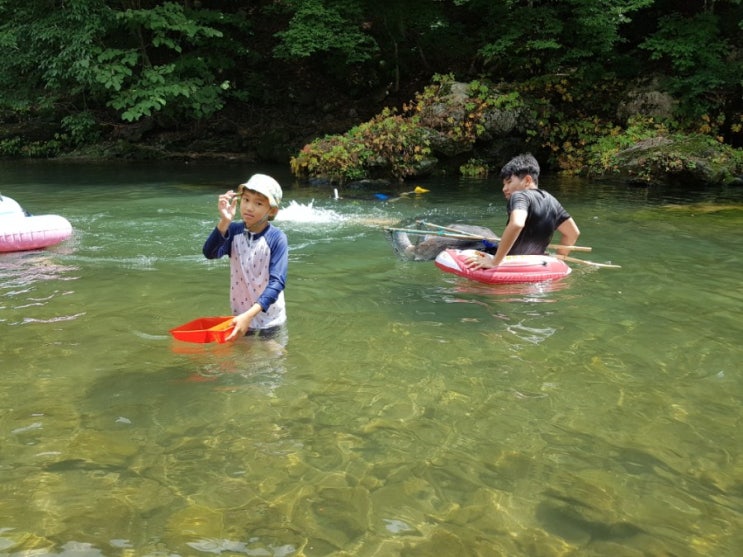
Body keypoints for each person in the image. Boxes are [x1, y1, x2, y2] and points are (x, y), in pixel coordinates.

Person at [203, 174, 288, 341]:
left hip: (270, 317)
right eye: (246, 200)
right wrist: (225, 221)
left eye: (258, 203)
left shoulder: (277, 238)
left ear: (271, 210)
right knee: (244, 357)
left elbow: (277, 282)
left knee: (272, 357)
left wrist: (250, 315)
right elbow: (210, 253)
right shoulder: (234, 231)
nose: (249, 207)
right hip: (241, 315)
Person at [466, 153, 580, 270]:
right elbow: (572, 233)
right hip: (534, 265)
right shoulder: (552, 201)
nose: (504, 188)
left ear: (527, 180)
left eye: (509, 182)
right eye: (504, 184)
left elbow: (517, 224)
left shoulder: (519, 196)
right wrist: (559, 259)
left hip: (510, 264)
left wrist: (495, 262)